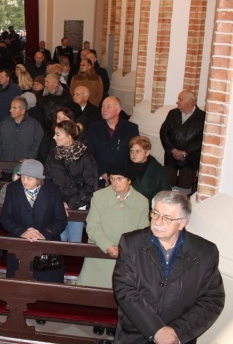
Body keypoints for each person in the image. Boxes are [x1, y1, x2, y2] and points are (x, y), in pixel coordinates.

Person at [113, 191, 224, 343]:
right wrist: (156, 330)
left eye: (167, 218)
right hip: (136, 335)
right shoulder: (131, 243)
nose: (157, 222)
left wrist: (177, 333)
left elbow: (212, 299)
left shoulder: (206, 252)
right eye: (155, 214)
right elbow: (125, 290)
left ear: (182, 223)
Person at [77, 163, 149, 340]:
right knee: (99, 291)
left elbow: (143, 231)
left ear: (129, 181)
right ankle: (99, 321)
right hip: (101, 252)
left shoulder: (142, 201)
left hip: (128, 255)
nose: (115, 183)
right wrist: (108, 245)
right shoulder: (99, 197)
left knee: (123, 292)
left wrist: (126, 249)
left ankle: (116, 324)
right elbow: (92, 227)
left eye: (120, 179)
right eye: (113, 178)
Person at [0, 159, 67, 282]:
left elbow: (60, 220)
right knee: (18, 282)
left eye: (29, 178)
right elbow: (6, 217)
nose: (25, 181)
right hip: (20, 242)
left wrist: (45, 234)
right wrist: (22, 232)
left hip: (46, 243)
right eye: (23, 177)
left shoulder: (54, 190)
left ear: (39, 179)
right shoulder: (12, 189)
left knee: (47, 284)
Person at [44, 120, 97, 243]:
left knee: (74, 241)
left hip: (77, 205)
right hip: (57, 205)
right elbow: (46, 180)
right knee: (58, 240)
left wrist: (70, 204)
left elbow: (90, 185)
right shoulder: (52, 155)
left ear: (68, 137)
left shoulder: (85, 157)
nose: (54, 137)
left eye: (58, 134)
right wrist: (58, 202)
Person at [87, 96, 139, 187]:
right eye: (103, 106)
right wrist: (103, 173)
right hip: (100, 178)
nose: (104, 109)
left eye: (108, 106)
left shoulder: (131, 129)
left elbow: (134, 154)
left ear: (118, 110)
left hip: (124, 177)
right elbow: (90, 154)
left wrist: (121, 175)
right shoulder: (93, 128)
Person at [159, 89, 205, 192]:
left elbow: (201, 139)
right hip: (171, 156)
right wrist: (173, 150)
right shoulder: (173, 114)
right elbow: (164, 132)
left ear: (190, 102)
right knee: (166, 185)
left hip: (190, 158)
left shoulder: (202, 117)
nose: (177, 102)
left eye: (180, 99)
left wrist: (185, 153)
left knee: (185, 188)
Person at [0, 96, 44, 179]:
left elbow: (37, 145)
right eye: (11, 107)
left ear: (23, 111)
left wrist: (29, 158)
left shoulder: (35, 126)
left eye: (14, 108)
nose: (10, 110)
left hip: (25, 169)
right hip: (5, 167)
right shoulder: (3, 124)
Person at [128, 136, 171, 205]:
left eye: (138, 151)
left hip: (151, 207)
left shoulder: (158, 169)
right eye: (131, 151)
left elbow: (166, 193)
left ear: (147, 152)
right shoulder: (124, 167)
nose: (134, 154)